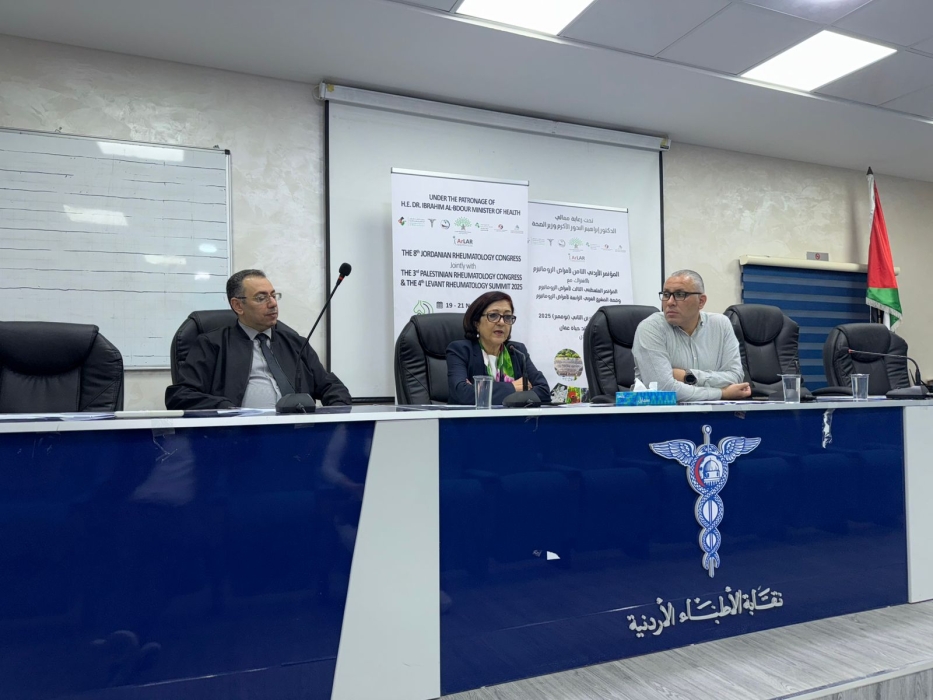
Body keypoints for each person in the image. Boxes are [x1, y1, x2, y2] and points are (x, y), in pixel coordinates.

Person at [165, 269, 350, 409]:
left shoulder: (296, 343)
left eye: (273, 295)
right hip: (239, 437)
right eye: (261, 298)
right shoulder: (212, 344)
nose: (273, 303)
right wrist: (226, 409)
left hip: (297, 435)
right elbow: (180, 395)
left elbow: (332, 387)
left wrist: (336, 416)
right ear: (238, 306)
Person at [633, 269, 751, 402]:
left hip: (714, 412)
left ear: (701, 301)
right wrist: (722, 393)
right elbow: (664, 389)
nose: (670, 302)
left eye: (680, 294)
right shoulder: (651, 328)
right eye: (666, 294)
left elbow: (736, 377)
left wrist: (687, 376)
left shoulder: (721, 324)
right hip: (665, 413)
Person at [447, 290, 550, 405]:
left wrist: (479, 390)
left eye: (507, 317)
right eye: (493, 315)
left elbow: (544, 392)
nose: (501, 322)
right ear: (476, 323)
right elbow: (462, 394)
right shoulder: (461, 350)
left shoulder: (517, 351)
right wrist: (513, 387)